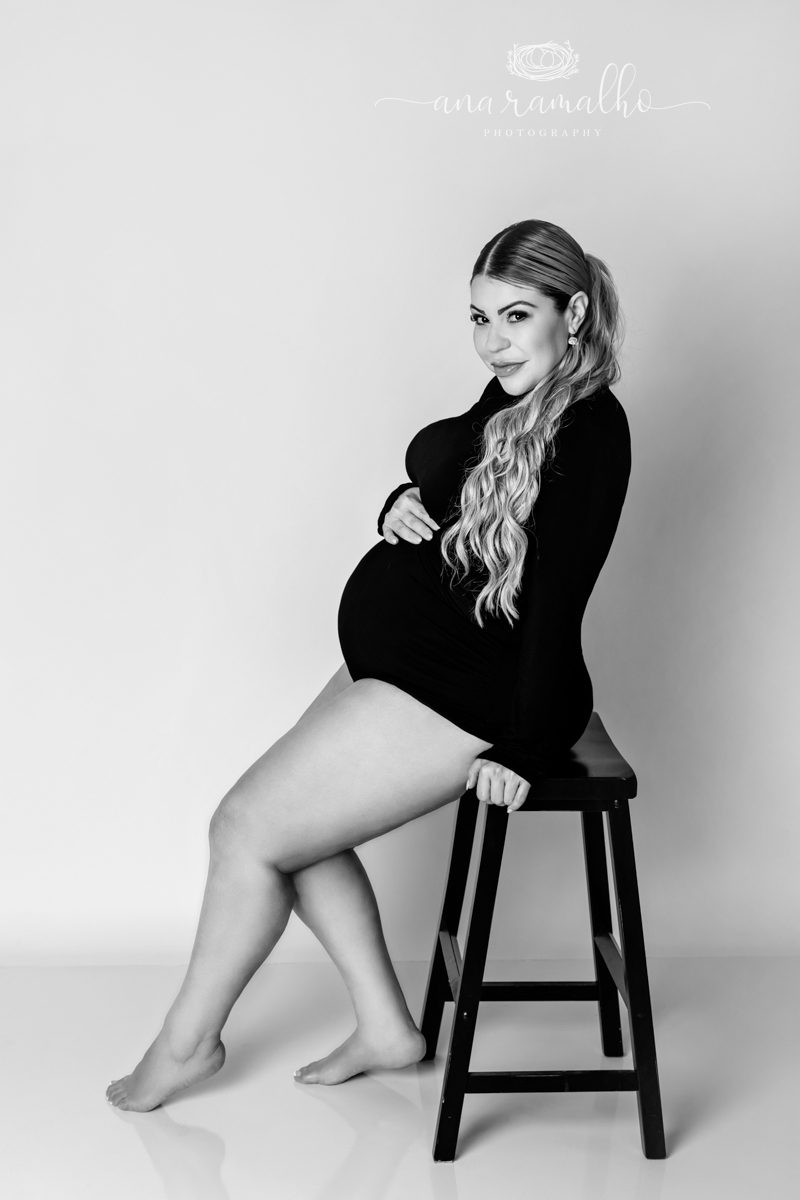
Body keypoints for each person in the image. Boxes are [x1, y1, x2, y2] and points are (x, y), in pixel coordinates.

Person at [106, 218, 631, 1112]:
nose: (493, 341)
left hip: (470, 689)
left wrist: (525, 748)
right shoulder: (518, 394)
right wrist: (400, 504)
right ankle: (387, 1028)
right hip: (412, 665)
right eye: (479, 319)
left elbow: (558, 604)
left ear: (573, 312)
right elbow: (453, 472)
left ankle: (186, 1046)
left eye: (516, 316)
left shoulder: (590, 429)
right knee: (290, 832)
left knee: (245, 828)